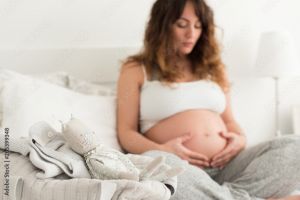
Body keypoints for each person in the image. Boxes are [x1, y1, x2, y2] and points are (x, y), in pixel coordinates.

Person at [116, 0, 300, 199]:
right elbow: (127, 132)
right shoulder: (137, 68)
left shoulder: (213, 68)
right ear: (161, 25)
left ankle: (217, 196)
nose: (191, 34)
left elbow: (230, 121)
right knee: (157, 164)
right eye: (182, 24)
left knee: (294, 147)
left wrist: (240, 139)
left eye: (198, 25)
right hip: (180, 167)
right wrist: (163, 149)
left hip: (228, 167)